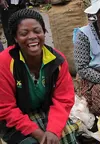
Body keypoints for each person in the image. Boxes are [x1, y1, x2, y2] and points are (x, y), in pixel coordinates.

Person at [0, 9, 77, 143]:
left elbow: (63, 99)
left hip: (43, 110)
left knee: (67, 137)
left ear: (44, 32)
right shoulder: (5, 62)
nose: (32, 36)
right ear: (15, 38)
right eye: (24, 33)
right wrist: (37, 133)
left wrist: (53, 130)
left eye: (37, 31)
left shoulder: (57, 60)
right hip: (12, 119)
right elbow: (6, 108)